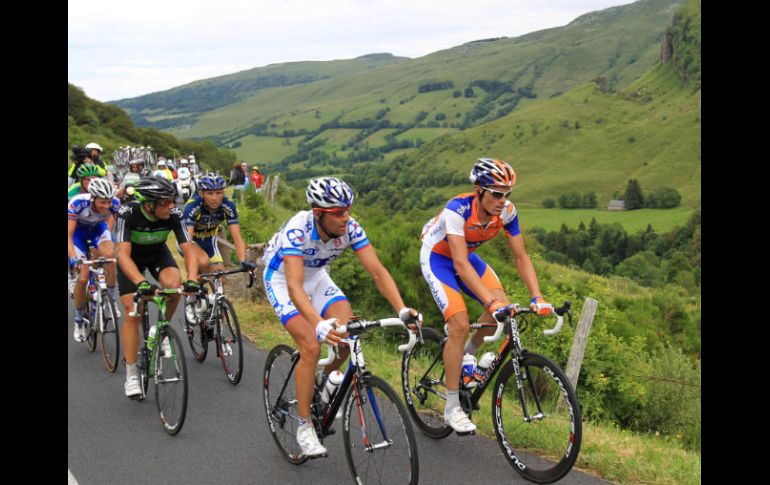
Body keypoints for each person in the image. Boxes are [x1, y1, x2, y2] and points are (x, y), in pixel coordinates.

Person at [261, 176, 421, 457]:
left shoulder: (351, 227)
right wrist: (317, 323)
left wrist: (401, 309)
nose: (345, 218)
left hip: (318, 277)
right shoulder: (298, 230)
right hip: (283, 280)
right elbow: (295, 287)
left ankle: (320, 381)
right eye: (338, 213)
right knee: (311, 345)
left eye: (347, 210)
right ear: (319, 213)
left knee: (348, 336)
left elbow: (377, 271)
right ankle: (304, 425)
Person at [418, 157, 554, 434]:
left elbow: (520, 257)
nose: (503, 200)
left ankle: (467, 355)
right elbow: (458, 264)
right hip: (439, 259)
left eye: (507, 194)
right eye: (496, 193)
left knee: (500, 309)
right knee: (460, 322)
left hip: (468, 258)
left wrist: (537, 297)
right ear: (479, 190)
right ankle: (452, 407)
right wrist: (490, 303)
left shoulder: (507, 212)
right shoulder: (457, 210)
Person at [115, 176, 199, 398]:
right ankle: (132, 373)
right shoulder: (128, 213)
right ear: (148, 204)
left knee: (174, 285)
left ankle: (160, 330)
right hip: (131, 259)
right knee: (133, 312)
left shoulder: (174, 215)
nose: (171, 206)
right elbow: (122, 255)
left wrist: (192, 279)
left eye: (172, 200)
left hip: (157, 254)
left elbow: (188, 250)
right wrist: (141, 283)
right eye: (164, 202)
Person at [181, 173, 254, 324]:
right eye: (209, 193)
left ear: (223, 193)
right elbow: (186, 240)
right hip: (190, 241)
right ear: (201, 193)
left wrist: (243, 260)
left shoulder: (228, 206)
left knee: (219, 279)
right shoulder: (192, 206)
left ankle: (216, 318)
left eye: (218, 193)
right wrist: (192, 276)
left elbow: (237, 237)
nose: (214, 197)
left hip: (209, 241)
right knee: (202, 262)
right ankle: (192, 296)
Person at [68, 178, 121, 342]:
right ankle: (78, 319)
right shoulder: (77, 203)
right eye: (102, 202)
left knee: (111, 257)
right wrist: (74, 259)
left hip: (98, 230)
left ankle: (109, 299)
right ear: (92, 198)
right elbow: (68, 235)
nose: (106, 206)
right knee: (83, 277)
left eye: (109, 202)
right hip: (77, 235)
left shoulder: (115, 203)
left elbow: (110, 224)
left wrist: (103, 248)